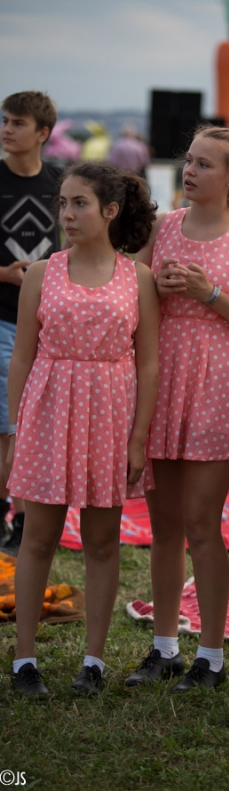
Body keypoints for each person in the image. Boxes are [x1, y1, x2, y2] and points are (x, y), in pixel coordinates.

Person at [127, 125, 229, 693]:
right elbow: (131, 296)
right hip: (159, 377)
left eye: (204, 165)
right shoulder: (161, 227)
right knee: (161, 526)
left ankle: (210, 657)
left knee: (202, 525)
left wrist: (209, 293)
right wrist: (158, 290)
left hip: (215, 380)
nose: (189, 171)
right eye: (187, 161)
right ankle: (164, 646)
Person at [7, 162, 160, 697]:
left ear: (110, 211)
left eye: (80, 204)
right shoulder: (41, 274)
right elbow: (22, 358)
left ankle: (92, 661)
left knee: (101, 541)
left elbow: (148, 365)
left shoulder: (137, 278)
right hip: (49, 412)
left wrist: (139, 436)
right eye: (63, 203)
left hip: (111, 415)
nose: (67, 214)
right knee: (39, 539)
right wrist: (19, 425)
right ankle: (24, 660)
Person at [0, 91, 62, 555]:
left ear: (43, 133)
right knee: (9, 425)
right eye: (4, 120)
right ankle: (16, 519)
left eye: (17, 122)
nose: (6, 129)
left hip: (50, 327)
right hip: (3, 318)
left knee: (30, 425)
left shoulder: (61, 184)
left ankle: (20, 518)